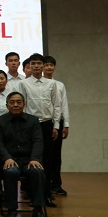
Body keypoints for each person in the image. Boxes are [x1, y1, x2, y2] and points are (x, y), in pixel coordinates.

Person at [0, 92, 49, 217]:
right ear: (7, 105)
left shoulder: (33, 121)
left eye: (19, 102)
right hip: (10, 159)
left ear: (24, 105)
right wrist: (6, 158)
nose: (15, 105)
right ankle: (11, 209)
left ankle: (38, 209)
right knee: (10, 172)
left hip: (29, 159)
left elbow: (38, 141)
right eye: (12, 102)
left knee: (37, 171)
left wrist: (35, 159)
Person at [16, 53, 61, 207]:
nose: (36, 66)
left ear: (43, 65)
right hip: (30, 125)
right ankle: (31, 194)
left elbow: (56, 105)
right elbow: (22, 105)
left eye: (39, 63)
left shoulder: (51, 84)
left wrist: (56, 126)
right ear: (29, 66)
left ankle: (47, 194)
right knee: (32, 160)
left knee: (47, 160)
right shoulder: (23, 83)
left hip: (47, 124)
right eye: (33, 63)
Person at [43, 55, 69, 196]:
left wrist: (66, 124)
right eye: (46, 65)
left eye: (51, 65)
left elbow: (63, 105)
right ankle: (44, 185)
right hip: (43, 122)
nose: (49, 67)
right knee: (44, 155)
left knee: (56, 155)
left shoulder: (59, 85)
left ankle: (56, 184)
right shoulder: (37, 84)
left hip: (57, 122)